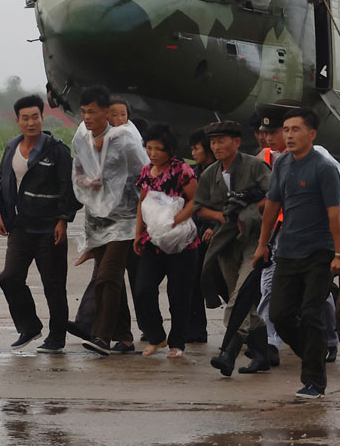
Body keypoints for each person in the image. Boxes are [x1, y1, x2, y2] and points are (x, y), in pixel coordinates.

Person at [256, 108, 340, 400]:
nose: (289, 135)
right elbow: (272, 206)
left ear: (312, 134)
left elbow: (335, 214)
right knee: (280, 315)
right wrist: (262, 243)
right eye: (287, 130)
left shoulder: (324, 167)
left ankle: (314, 382)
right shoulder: (282, 164)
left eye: (296, 129)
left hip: (319, 252)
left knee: (311, 314)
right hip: (288, 250)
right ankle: (312, 355)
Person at [0, 94, 77, 352]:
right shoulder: (11, 149)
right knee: (9, 278)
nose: (31, 123)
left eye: (35, 117)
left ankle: (57, 337)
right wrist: (2, 213)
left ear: (43, 118)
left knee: (53, 284)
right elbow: (5, 182)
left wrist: (63, 220)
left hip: (48, 226)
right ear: (18, 121)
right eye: (25, 118)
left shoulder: (57, 150)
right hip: (19, 226)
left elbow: (69, 188)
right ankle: (29, 326)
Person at [71, 87, 148, 355]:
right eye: (83, 112)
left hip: (126, 220)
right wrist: (86, 181)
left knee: (108, 276)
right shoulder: (81, 138)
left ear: (105, 112)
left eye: (92, 111)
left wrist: (145, 220)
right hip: (99, 220)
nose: (87, 117)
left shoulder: (125, 140)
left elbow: (146, 177)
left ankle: (101, 336)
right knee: (110, 280)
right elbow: (77, 171)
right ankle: (124, 337)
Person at [195, 119, 273, 377]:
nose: (216, 146)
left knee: (240, 296)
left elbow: (273, 197)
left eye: (221, 141)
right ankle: (262, 354)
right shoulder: (210, 174)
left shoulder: (255, 166)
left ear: (236, 142)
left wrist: (247, 211)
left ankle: (229, 350)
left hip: (254, 239)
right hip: (226, 244)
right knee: (241, 301)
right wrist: (222, 218)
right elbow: (198, 206)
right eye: (213, 142)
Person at [131, 125, 200, 357]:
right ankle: (156, 336)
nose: (153, 153)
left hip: (182, 243)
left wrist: (175, 221)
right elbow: (142, 202)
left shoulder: (182, 170)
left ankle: (177, 343)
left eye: (158, 149)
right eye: (149, 148)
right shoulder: (146, 172)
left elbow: (195, 200)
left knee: (178, 294)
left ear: (170, 150)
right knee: (142, 289)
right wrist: (138, 233)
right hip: (153, 241)